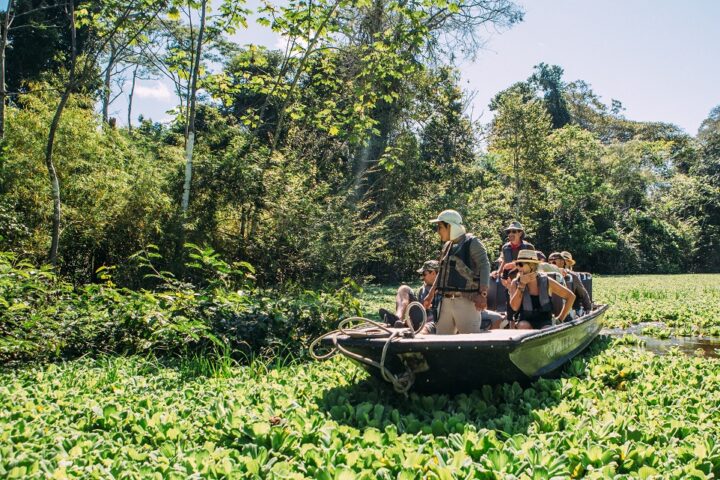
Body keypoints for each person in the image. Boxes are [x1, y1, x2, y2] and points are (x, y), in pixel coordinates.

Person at [423, 210, 495, 334]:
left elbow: (485, 265)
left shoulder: (473, 242)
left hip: (466, 302)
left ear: (450, 226)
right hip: (445, 302)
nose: (438, 231)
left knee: (470, 344)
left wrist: (483, 294)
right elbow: (442, 272)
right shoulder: (447, 246)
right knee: (442, 344)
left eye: (440, 227)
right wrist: (430, 295)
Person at [508, 250, 575, 329]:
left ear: (532, 265)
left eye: (521, 264)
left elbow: (570, 296)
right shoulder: (515, 283)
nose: (518, 267)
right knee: (523, 326)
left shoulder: (546, 281)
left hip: (545, 321)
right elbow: (514, 307)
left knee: (546, 329)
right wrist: (522, 285)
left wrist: (560, 319)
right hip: (525, 320)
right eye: (517, 264)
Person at [379, 260, 441, 333]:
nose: (422, 277)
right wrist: (409, 319)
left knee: (427, 327)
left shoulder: (445, 289)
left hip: (435, 321)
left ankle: (417, 332)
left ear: (433, 273)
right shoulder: (422, 289)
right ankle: (398, 318)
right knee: (404, 289)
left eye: (424, 274)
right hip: (421, 317)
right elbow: (419, 309)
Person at [548, 251, 592, 317]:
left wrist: (588, 309)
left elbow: (583, 294)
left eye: (554, 261)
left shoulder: (572, 276)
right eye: (550, 261)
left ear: (562, 262)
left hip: (566, 311)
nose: (552, 263)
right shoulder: (544, 275)